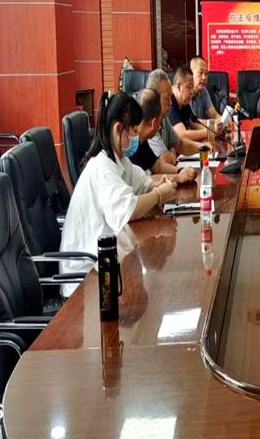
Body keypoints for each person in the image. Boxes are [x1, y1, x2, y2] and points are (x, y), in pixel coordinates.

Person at [60, 92, 180, 294]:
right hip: (85, 277)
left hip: (106, 260)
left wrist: (163, 183)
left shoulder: (118, 160)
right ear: (118, 129)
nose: (136, 139)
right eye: (133, 132)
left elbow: (143, 183)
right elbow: (130, 210)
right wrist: (159, 194)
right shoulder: (101, 168)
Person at [130, 88, 199, 183]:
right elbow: (141, 182)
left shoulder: (142, 140)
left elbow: (158, 167)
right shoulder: (131, 145)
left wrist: (180, 171)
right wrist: (177, 177)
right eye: (161, 119)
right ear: (154, 122)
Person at [145, 69, 201, 163]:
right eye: (167, 98)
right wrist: (173, 151)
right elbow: (165, 160)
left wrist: (203, 147)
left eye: (171, 98)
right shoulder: (148, 122)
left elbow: (180, 144)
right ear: (154, 98)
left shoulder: (164, 118)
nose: (171, 103)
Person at [169, 66, 211, 143]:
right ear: (179, 86)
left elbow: (195, 124)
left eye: (192, 88)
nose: (192, 92)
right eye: (189, 87)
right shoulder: (169, 103)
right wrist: (209, 133)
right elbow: (182, 135)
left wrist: (213, 129)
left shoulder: (184, 102)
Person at [189, 56, 226, 123]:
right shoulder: (185, 93)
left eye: (206, 73)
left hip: (200, 128)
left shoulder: (203, 90)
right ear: (191, 74)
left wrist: (224, 121)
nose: (204, 77)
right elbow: (190, 122)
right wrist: (212, 123)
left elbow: (214, 115)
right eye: (200, 73)